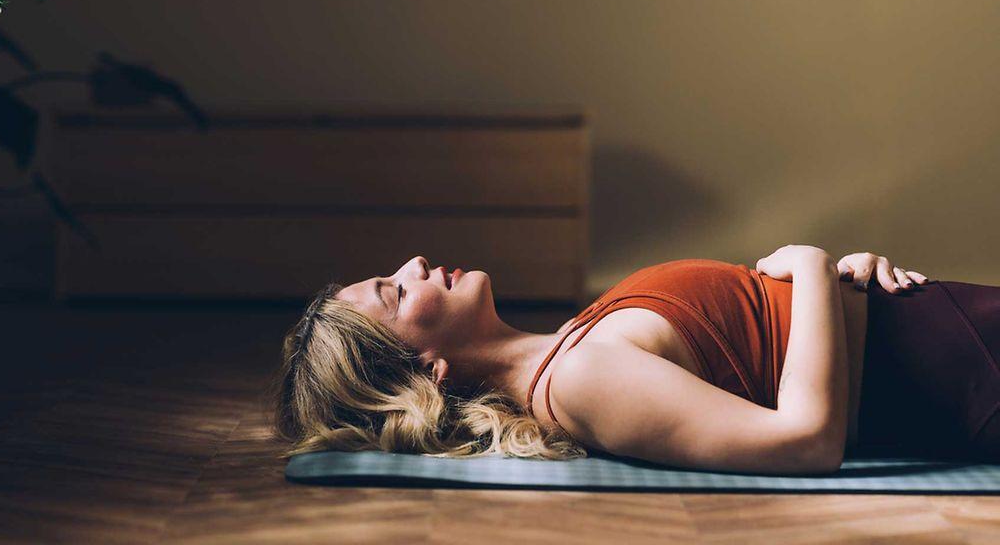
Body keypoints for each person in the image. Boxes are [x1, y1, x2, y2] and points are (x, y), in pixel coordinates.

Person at [272, 246, 1000, 474]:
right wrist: (810, 264)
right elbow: (806, 440)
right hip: (954, 374)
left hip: (938, 332)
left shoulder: (570, 345)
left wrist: (844, 275)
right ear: (426, 370)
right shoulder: (580, 382)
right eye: (396, 291)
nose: (416, 261)